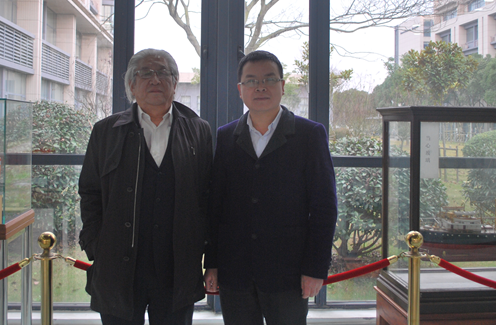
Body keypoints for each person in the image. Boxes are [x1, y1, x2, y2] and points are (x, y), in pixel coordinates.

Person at [78, 48, 213, 325]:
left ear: (175, 83)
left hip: (176, 266)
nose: (155, 79)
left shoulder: (198, 130)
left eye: (163, 73)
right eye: (145, 73)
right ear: (131, 84)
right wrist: (96, 245)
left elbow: (208, 197)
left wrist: (202, 250)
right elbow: (90, 192)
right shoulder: (106, 131)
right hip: (118, 266)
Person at [204, 50, 337, 325]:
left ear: (283, 86)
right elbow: (216, 207)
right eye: (251, 81)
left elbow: (324, 207)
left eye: (269, 79)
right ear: (240, 89)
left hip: (288, 273)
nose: (260, 87)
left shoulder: (309, 135)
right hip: (235, 271)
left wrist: (315, 268)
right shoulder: (226, 136)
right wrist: (212, 263)